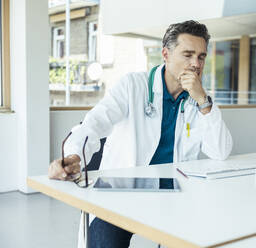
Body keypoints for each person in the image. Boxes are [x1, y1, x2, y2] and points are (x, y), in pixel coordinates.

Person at [48, 20, 233, 248]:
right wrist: (74, 156)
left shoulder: (201, 100)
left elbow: (221, 152)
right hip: (120, 195)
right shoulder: (133, 86)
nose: (196, 64)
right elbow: (93, 124)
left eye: (201, 56)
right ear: (165, 54)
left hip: (175, 196)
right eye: (188, 54)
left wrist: (203, 101)